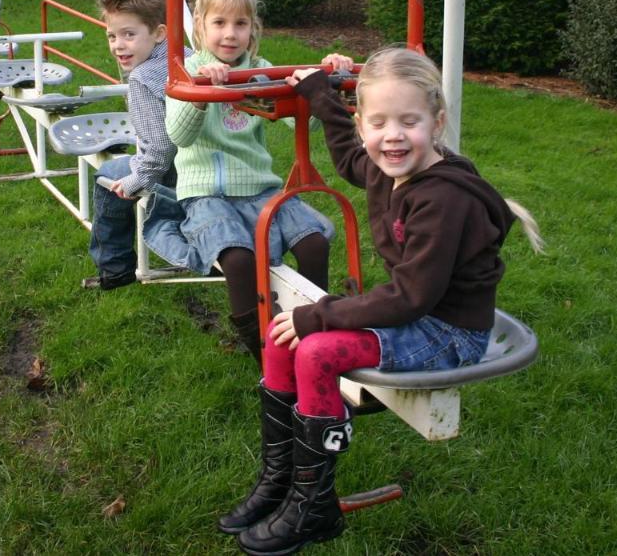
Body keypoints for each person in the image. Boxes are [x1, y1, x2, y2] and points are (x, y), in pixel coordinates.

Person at [221, 46, 544, 555]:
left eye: (408, 121)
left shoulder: (443, 199)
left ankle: (313, 504)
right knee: (282, 336)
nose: (392, 136)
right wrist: (320, 98)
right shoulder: (388, 162)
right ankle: (279, 480)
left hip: (446, 332)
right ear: (365, 124)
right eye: (379, 122)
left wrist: (320, 315)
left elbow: (412, 297)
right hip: (416, 311)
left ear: (436, 123)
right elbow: (353, 159)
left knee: (315, 348)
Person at [158, 0, 333, 362]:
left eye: (240, 23)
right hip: (207, 195)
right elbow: (179, 136)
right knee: (239, 260)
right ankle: (267, 357)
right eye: (219, 22)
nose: (230, 33)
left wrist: (325, 82)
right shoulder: (186, 73)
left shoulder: (258, 73)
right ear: (200, 26)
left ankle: (314, 336)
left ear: (253, 27)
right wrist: (207, 90)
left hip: (261, 190)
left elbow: (305, 121)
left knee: (315, 244)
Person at [84, 0, 184, 290]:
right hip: (201, 165)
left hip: (171, 173)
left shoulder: (142, 78)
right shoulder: (187, 55)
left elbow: (159, 151)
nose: (118, 45)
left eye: (129, 35)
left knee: (108, 176)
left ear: (159, 33)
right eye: (112, 36)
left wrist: (134, 181)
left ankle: (114, 267)